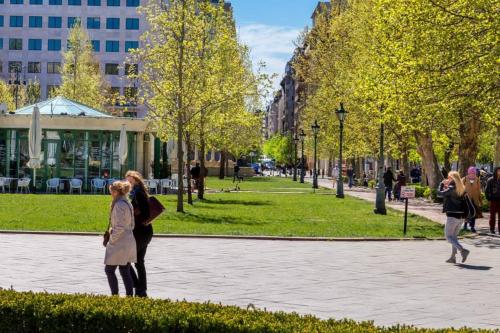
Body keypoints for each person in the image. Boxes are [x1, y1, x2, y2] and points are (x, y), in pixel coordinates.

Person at [104, 181, 137, 296]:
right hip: (128, 239)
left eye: (111, 191)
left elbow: (119, 227)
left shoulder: (119, 205)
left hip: (119, 242)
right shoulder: (126, 203)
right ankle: (129, 296)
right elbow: (131, 224)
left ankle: (115, 296)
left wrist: (112, 239)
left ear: (115, 191)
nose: (111, 194)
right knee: (124, 270)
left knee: (109, 270)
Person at [125, 171, 152, 297]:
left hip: (141, 232)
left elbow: (145, 214)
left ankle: (138, 286)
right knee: (139, 262)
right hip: (145, 232)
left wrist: (134, 214)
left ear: (136, 181)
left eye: (130, 181)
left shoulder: (138, 194)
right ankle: (142, 290)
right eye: (127, 181)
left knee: (125, 260)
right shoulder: (136, 193)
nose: (128, 183)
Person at [438, 171, 470, 264]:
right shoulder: (462, 188)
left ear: (452, 178)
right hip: (461, 217)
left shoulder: (451, 188)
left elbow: (439, 194)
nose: (447, 179)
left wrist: (441, 184)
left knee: (448, 237)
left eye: (448, 177)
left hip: (452, 216)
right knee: (454, 238)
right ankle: (453, 257)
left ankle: (463, 250)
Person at [462, 166, 483, 233]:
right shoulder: (465, 178)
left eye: (473, 172)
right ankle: (465, 225)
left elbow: (479, 190)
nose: (472, 173)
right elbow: (461, 188)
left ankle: (472, 227)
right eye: (471, 172)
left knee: (474, 213)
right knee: (466, 213)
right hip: (466, 199)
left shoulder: (477, 179)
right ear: (468, 172)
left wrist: (480, 200)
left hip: (475, 199)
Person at [485, 167, 500, 234]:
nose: (499, 172)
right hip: (493, 200)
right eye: (498, 171)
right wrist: (488, 198)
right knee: (492, 216)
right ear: (495, 171)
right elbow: (486, 190)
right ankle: (492, 229)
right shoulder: (490, 180)